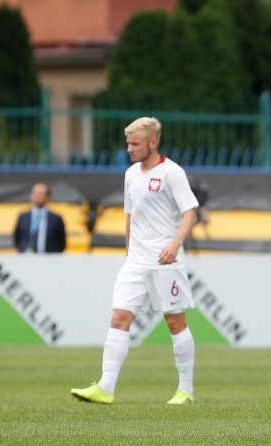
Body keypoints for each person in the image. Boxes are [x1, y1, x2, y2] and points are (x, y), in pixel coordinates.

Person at [71, 117, 199, 405]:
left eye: (135, 143)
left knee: (175, 321)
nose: (129, 148)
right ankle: (105, 387)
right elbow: (130, 216)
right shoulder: (130, 174)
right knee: (119, 318)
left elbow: (190, 212)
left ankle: (186, 390)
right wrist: (129, 253)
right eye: (127, 142)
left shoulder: (172, 173)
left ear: (152, 142)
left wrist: (174, 244)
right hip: (136, 262)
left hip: (166, 262)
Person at [13, 182, 66, 253]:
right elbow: (17, 237)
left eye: (41, 194)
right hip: (26, 258)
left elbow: (61, 242)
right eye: (35, 193)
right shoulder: (23, 217)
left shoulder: (56, 219)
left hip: (49, 259)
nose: (37, 196)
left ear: (48, 197)